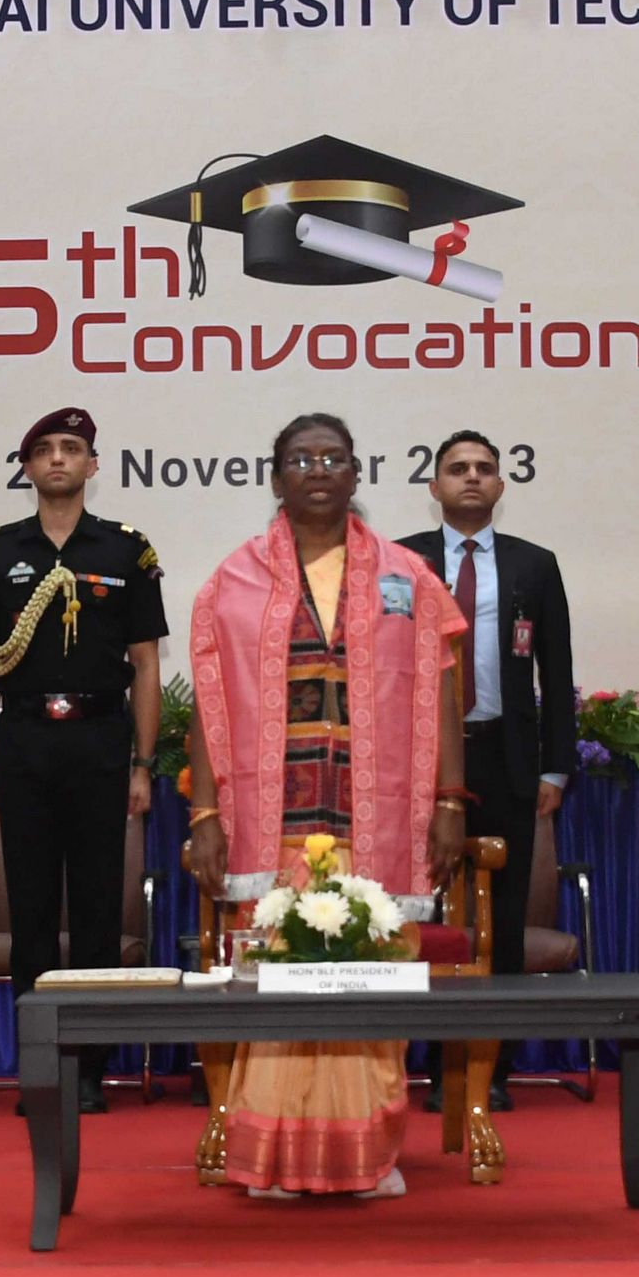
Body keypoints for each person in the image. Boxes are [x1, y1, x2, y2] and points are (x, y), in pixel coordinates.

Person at [186, 414, 467, 1199]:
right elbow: (209, 706)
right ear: (275, 477)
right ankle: (271, 1160)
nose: (317, 469)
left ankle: (368, 1156)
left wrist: (450, 799)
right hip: (272, 825)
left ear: (355, 475)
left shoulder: (409, 575)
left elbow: (444, 691)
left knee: (369, 977)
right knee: (279, 980)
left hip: (377, 823)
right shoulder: (233, 580)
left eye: (333, 457)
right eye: (301, 458)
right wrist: (205, 816)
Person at [0, 405, 167, 1116]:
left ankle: (90, 1068)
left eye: (72, 448)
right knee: (32, 914)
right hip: (24, 744)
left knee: (100, 911)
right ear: (26, 467)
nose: (57, 459)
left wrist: (142, 764)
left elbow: (146, 665)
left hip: (100, 741)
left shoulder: (125, 550)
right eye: (44, 449)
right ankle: (42, 1066)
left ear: (92, 465)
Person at [399, 430, 575, 1109]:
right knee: (422, 913)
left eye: (483, 468)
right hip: (423, 762)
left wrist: (555, 769)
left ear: (500, 485)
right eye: (457, 468)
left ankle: (489, 1067)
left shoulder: (535, 564)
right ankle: (429, 1063)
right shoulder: (402, 562)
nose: (471, 477)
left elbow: (556, 671)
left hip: (507, 756)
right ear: (435, 486)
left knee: (501, 916)